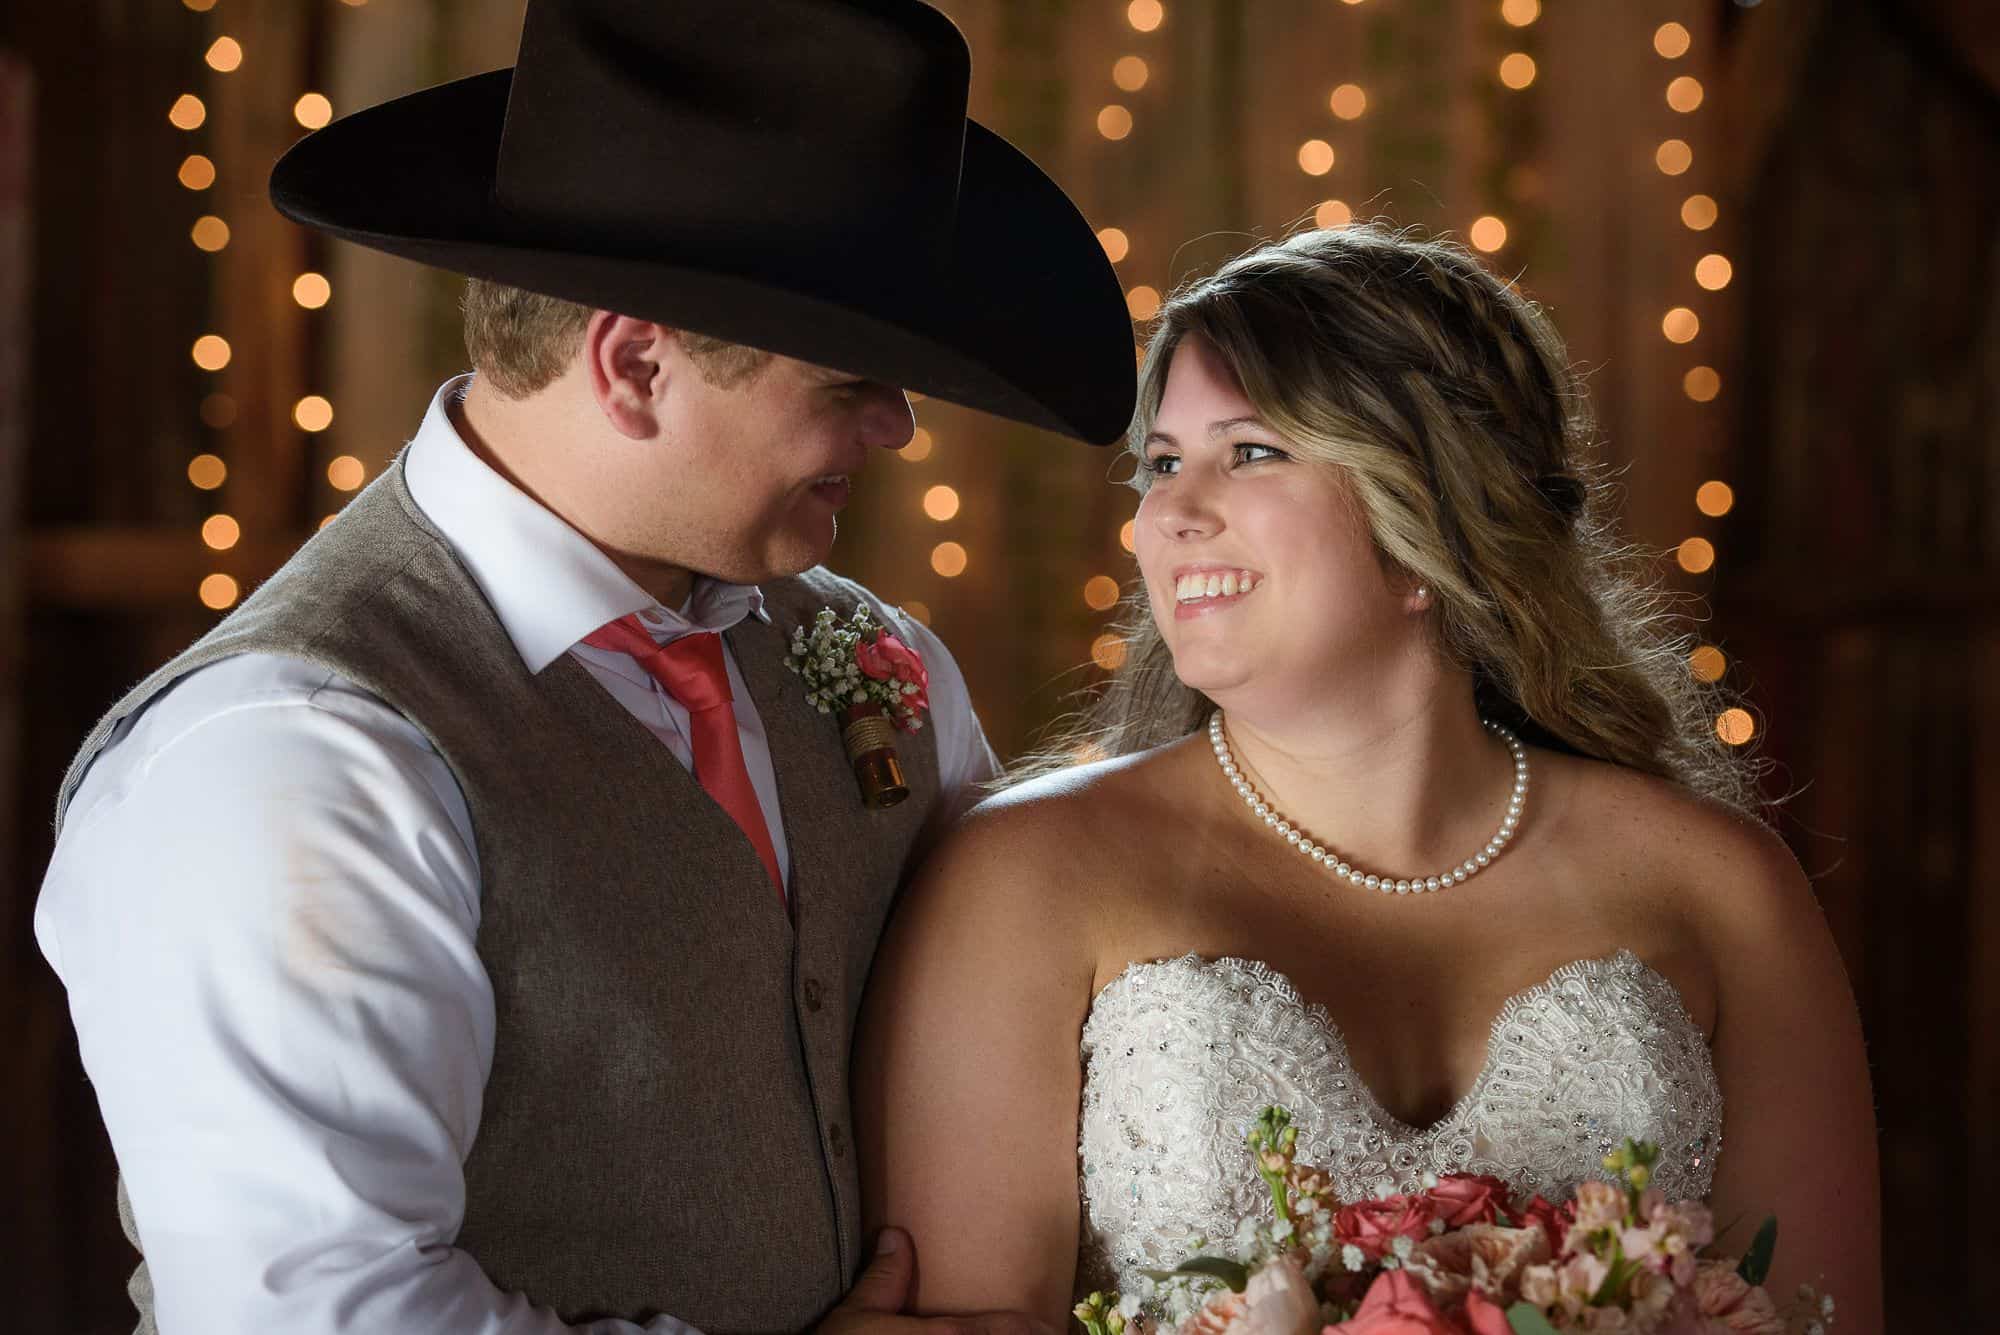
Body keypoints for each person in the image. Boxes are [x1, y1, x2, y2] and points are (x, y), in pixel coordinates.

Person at [35, 3, 1134, 1332]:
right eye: (850, 381)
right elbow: (328, 1316)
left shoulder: (879, 658)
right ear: (632, 364)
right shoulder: (288, 753)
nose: (898, 425)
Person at [855, 224, 1883, 1331]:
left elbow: (1817, 1315)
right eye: (1160, 463)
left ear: (1432, 519)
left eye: (1249, 453)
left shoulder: (1721, 887)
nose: (1169, 514)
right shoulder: (1024, 878)